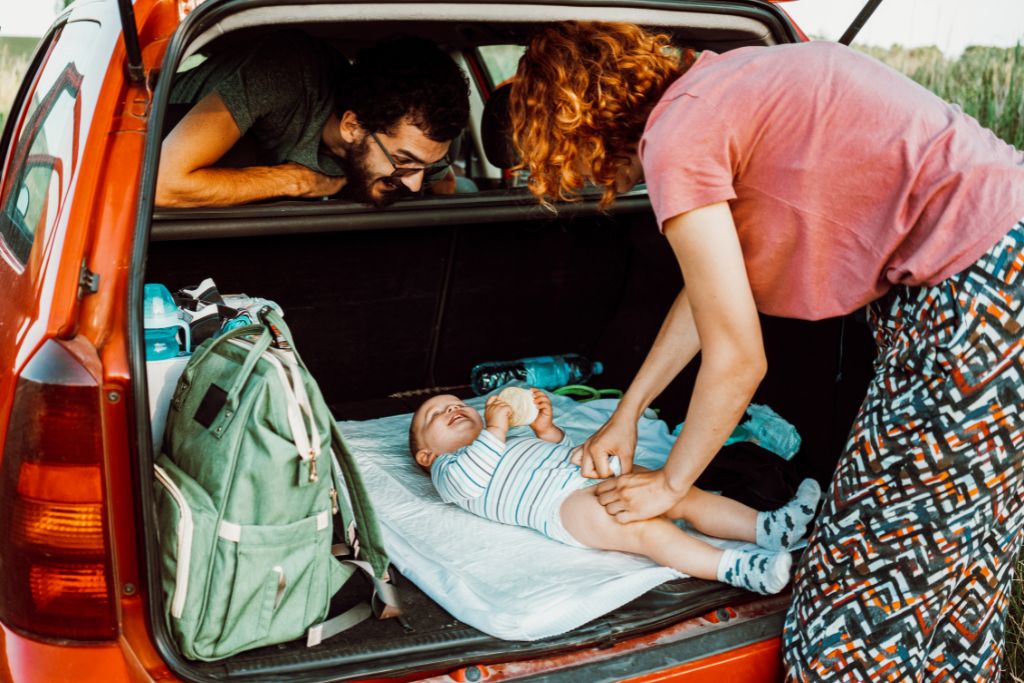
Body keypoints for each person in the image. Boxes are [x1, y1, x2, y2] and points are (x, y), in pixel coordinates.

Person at [508, 21, 1024, 681]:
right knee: (961, 562)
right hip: (1002, 264)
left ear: (574, 127)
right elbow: (709, 295)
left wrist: (670, 486)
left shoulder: (678, 138)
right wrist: (628, 409)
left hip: (978, 295)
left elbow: (739, 358)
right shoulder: (727, 83)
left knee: (853, 603)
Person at [409, 389, 821, 596]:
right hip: (563, 507)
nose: (452, 409)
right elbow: (472, 480)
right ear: (426, 454)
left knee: (677, 492)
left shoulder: (506, 436)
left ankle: (769, 527)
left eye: (458, 404)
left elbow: (550, 448)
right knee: (646, 532)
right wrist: (495, 429)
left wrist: (543, 429)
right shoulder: (448, 470)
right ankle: (736, 568)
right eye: (436, 414)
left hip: (582, 473)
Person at [157, 31, 470, 208]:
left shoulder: (425, 141)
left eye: (427, 167)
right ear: (352, 126)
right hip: (154, 127)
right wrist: (297, 181)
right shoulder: (283, 74)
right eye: (405, 161)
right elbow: (162, 185)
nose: (415, 184)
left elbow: (442, 180)